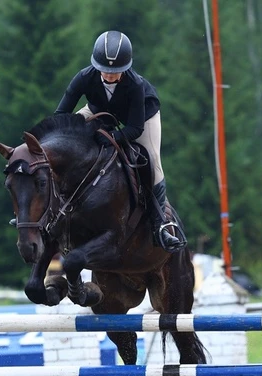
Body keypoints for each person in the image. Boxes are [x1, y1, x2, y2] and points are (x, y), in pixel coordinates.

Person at [55, 30, 186, 253]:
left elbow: (135, 128)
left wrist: (113, 137)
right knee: (63, 140)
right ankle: (48, 210)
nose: (109, 75)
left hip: (142, 116)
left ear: (125, 68)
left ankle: (160, 225)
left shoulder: (135, 85)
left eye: (115, 72)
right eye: (105, 70)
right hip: (101, 110)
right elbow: (60, 116)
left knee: (152, 160)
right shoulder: (84, 77)